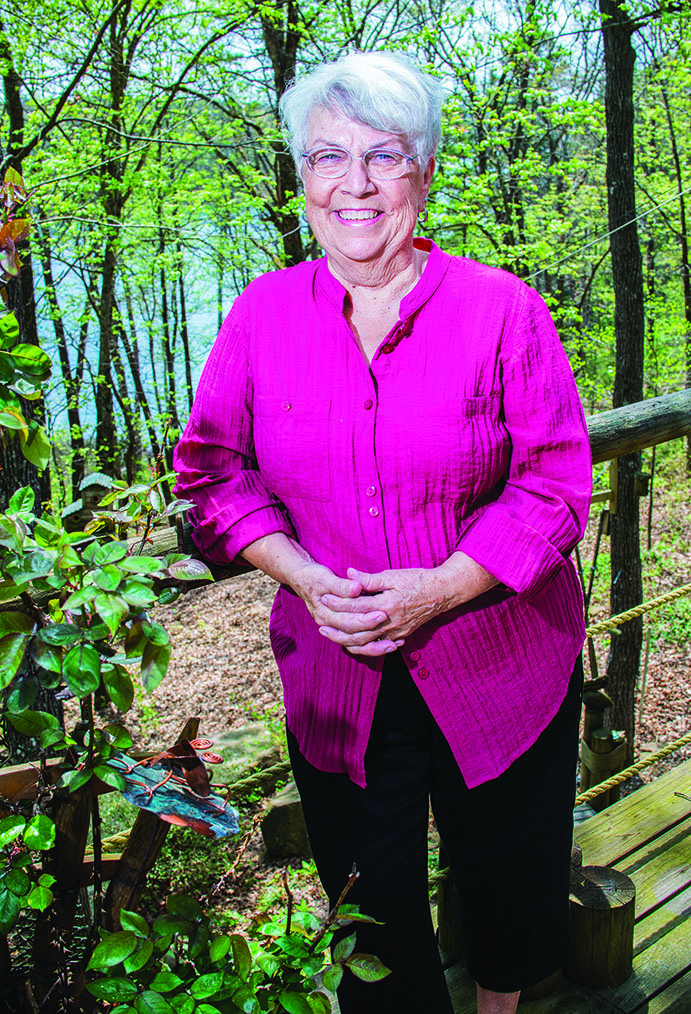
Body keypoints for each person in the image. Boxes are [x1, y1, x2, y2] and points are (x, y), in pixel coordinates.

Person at [174, 51, 592, 1014]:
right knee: (368, 903)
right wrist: (303, 576)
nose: (352, 184)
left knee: (508, 869)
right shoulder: (258, 318)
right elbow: (210, 476)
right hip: (339, 672)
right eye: (327, 157)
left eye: (383, 156)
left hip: (499, 659)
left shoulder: (503, 313)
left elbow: (555, 483)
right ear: (301, 177)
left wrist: (440, 586)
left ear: (425, 171)